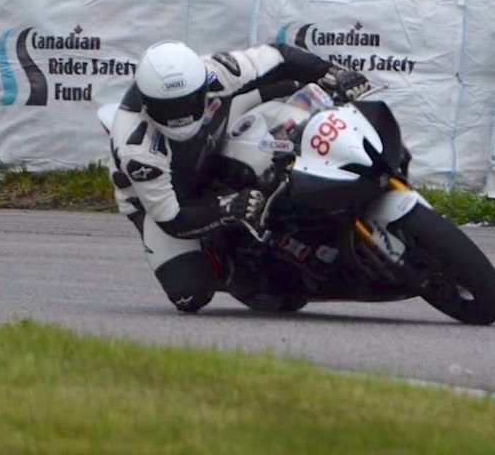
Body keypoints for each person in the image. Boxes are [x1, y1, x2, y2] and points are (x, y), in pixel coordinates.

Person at [108, 40, 370, 312]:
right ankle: (228, 258)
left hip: (211, 147)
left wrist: (334, 73)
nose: (180, 117)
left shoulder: (216, 73)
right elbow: (172, 219)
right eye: (169, 109)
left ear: (203, 87)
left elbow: (279, 55)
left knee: (287, 86)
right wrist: (228, 209)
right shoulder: (137, 149)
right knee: (190, 294)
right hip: (165, 199)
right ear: (147, 104)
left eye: (187, 103)